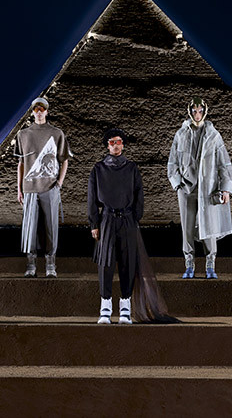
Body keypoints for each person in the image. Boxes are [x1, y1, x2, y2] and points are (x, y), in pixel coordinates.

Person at [167, 97, 232, 279]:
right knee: (187, 228)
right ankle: (189, 263)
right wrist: (178, 184)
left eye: (200, 111)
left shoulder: (214, 136)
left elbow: (224, 164)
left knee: (209, 226)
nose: (197, 114)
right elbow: (172, 162)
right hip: (186, 189)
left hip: (208, 189)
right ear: (190, 112)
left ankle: (210, 264)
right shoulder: (181, 134)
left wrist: (226, 188)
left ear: (205, 111)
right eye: (194, 111)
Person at [88, 129, 144, 324]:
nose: (116, 145)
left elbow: (138, 194)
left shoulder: (132, 168)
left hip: (127, 220)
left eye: (119, 142)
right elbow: (92, 198)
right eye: (112, 142)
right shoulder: (98, 169)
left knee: (128, 263)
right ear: (107, 145)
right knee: (106, 263)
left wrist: (135, 219)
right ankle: (105, 309)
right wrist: (94, 223)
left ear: (123, 144)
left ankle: (125, 309)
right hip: (107, 220)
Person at [16, 97, 70, 277]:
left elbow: (64, 160)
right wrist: (19, 189)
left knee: (50, 227)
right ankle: (31, 265)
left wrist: (59, 184)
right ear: (32, 112)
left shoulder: (56, 133)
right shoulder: (23, 134)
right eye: (36, 109)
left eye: (42, 109)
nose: (39, 112)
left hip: (50, 187)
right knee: (30, 228)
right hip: (29, 188)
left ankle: (50, 264)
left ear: (47, 111)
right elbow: (21, 164)